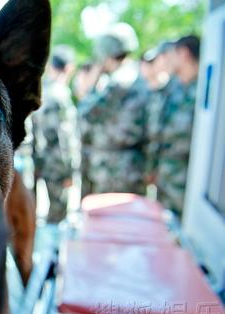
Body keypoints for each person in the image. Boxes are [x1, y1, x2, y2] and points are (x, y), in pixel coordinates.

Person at [78, 23, 150, 195]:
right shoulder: (137, 76)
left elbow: (86, 113)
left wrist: (93, 83)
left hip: (115, 169)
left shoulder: (119, 82)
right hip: (131, 165)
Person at [145, 35, 200, 217]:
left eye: (171, 54)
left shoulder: (205, 91)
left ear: (183, 54)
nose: (166, 59)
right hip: (166, 180)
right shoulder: (175, 89)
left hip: (188, 184)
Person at [31, 45, 79, 223]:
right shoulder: (61, 95)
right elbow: (65, 138)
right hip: (58, 164)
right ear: (69, 68)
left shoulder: (41, 91)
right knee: (58, 215)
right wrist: (71, 170)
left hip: (39, 161)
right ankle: (54, 250)